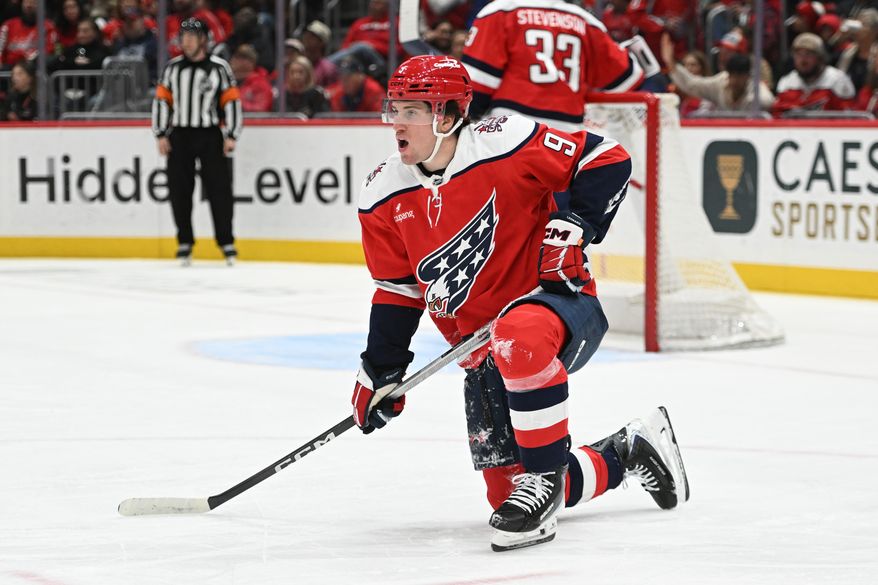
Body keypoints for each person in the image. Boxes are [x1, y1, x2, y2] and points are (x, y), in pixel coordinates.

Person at [352, 55, 690, 552]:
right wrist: (380, 370)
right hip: (480, 350)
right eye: (393, 109)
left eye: (410, 111)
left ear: (446, 116)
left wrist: (577, 225)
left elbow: (607, 157)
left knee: (517, 339)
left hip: (556, 307)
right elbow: (398, 291)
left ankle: (544, 480)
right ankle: (628, 453)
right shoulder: (382, 194)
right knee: (509, 494)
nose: (396, 123)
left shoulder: (503, 139)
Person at [461, 0, 645, 133]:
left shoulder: (501, 11)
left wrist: (462, 131)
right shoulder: (585, 21)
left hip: (509, 133)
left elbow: (476, 89)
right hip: (567, 137)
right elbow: (628, 76)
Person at [152, 18, 242, 266]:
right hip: (180, 135)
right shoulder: (173, 68)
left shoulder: (219, 68)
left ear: (203, 39)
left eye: (192, 36)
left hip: (209, 134)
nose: (186, 41)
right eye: (183, 36)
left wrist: (232, 134)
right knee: (180, 191)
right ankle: (185, 242)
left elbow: (231, 102)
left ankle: (226, 242)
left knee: (219, 190)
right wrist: (160, 133)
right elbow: (162, 102)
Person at [661, 34, 775, 114]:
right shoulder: (721, 80)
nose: (722, 55)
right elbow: (693, 84)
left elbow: (768, 101)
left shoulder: (758, 91)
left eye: (728, 52)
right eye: (722, 50)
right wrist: (671, 64)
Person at [774, 32, 856, 116]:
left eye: (809, 54)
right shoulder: (786, 82)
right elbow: (778, 117)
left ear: (820, 58)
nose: (803, 60)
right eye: (798, 54)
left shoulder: (838, 80)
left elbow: (847, 119)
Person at [0, 0, 58, 68]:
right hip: (9, 70)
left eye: (33, 2)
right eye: (26, 2)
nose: (29, 5)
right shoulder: (8, 26)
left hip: (34, 69)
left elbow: (49, 50)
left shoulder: (48, 27)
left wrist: (26, 57)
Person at [229, 43, 273, 112]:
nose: (234, 59)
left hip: (251, 121)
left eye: (241, 57)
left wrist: (236, 105)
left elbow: (261, 108)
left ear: (250, 62)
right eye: (236, 56)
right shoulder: (227, 80)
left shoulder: (260, 83)